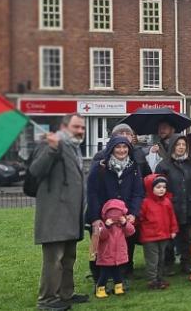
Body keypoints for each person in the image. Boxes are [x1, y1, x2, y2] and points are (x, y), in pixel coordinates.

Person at [31, 113, 88, 311]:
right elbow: (35, 170)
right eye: (76, 127)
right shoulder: (51, 144)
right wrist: (52, 150)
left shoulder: (73, 148)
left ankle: (65, 294)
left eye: (82, 127)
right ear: (64, 127)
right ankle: (47, 300)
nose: (80, 131)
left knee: (68, 258)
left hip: (71, 215)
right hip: (55, 215)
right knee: (53, 260)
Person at [85, 135, 143, 282]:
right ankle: (97, 277)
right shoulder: (99, 167)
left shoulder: (134, 167)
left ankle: (120, 277)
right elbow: (92, 193)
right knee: (97, 246)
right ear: (111, 149)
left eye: (125, 147)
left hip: (122, 216)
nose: (122, 150)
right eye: (118, 147)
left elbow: (138, 192)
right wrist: (96, 218)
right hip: (99, 215)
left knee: (121, 247)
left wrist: (133, 213)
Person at [154, 135, 191, 275]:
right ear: (173, 146)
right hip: (170, 206)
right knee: (169, 238)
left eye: (183, 145)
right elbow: (157, 186)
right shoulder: (163, 165)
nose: (181, 147)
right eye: (178, 144)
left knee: (187, 237)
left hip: (189, 205)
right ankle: (168, 264)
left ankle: (186, 263)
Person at [139, 174, 178, 290]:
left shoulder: (167, 202)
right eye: (158, 187)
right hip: (150, 237)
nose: (161, 189)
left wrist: (173, 229)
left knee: (161, 258)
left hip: (164, 235)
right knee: (153, 260)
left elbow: (172, 217)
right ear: (151, 188)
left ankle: (159, 278)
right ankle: (152, 280)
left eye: (164, 187)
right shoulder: (145, 202)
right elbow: (140, 217)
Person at [93, 199, 135, 299]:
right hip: (106, 254)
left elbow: (131, 231)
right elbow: (101, 236)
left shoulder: (122, 225)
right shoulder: (101, 224)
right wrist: (106, 226)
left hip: (118, 255)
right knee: (104, 273)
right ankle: (100, 288)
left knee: (118, 273)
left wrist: (125, 223)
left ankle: (118, 287)